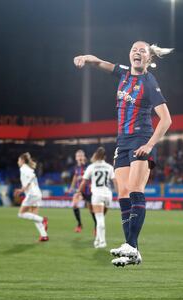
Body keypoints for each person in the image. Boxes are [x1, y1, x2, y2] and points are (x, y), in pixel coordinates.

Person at [74, 41, 172, 266]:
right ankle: (133, 251)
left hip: (140, 139)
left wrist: (149, 145)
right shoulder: (124, 73)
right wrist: (85, 59)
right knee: (123, 194)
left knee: (136, 190)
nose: (137, 53)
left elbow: (166, 119)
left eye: (142, 51)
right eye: (134, 50)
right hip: (123, 141)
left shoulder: (149, 82)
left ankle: (131, 245)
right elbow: (101, 63)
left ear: (149, 59)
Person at [77, 147, 116, 248]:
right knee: (102, 218)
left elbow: (84, 182)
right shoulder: (109, 167)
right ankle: (97, 239)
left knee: (99, 219)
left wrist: (78, 192)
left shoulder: (91, 167)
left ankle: (102, 242)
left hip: (97, 195)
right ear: (105, 157)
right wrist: (120, 193)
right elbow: (115, 182)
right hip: (108, 195)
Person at [14, 152, 48, 242]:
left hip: (32, 194)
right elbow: (29, 180)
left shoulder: (23, 168)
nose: (17, 162)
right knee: (33, 216)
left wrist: (23, 189)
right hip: (36, 193)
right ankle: (44, 235)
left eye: (18, 160)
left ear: (22, 160)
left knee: (21, 214)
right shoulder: (27, 168)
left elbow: (32, 176)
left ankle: (43, 220)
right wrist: (22, 189)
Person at [68, 150, 93, 233]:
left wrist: (82, 177)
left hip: (88, 191)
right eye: (78, 156)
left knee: (91, 210)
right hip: (80, 191)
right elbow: (75, 177)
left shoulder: (88, 166)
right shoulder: (76, 167)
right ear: (75, 158)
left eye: (81, 156)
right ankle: (79, 224)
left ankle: (96, 226)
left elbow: (91, 176)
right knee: (75, 205)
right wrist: (71, 187)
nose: (79, 157)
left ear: (84, 157)